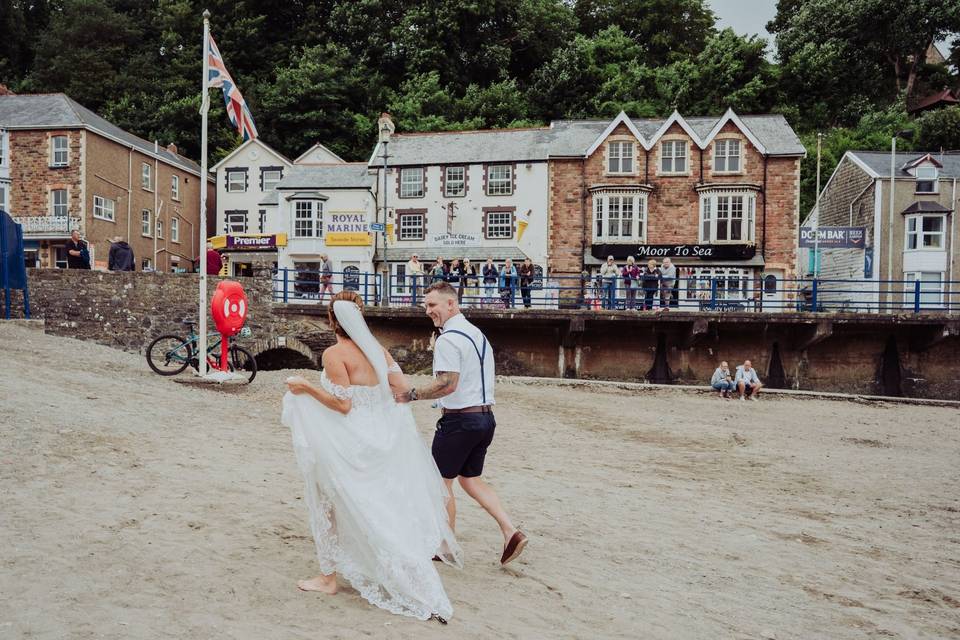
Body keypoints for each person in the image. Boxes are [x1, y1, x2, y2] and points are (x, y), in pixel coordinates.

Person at [282, 291, 462, 622]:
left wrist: (305, 387)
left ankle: (328, 578)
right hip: (379, 440)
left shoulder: (334, 355)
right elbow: (401, 389)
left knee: (329, 505)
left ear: (332, 320)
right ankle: (399, 572)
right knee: (378, 506)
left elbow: (342, 404)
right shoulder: (378, 351)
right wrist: (380, 419)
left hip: (346, 440)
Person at [398, 282, 527, 566]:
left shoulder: (448, 339)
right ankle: (510, 531)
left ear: (451, 304)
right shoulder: (477, 334)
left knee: (440, 484)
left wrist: (411, 395)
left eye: (433, 305)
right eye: (426, 305)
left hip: (459, 421)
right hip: (485, 419)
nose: (428, 311)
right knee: (470, 479)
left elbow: (448, 384)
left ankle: (444, 546)